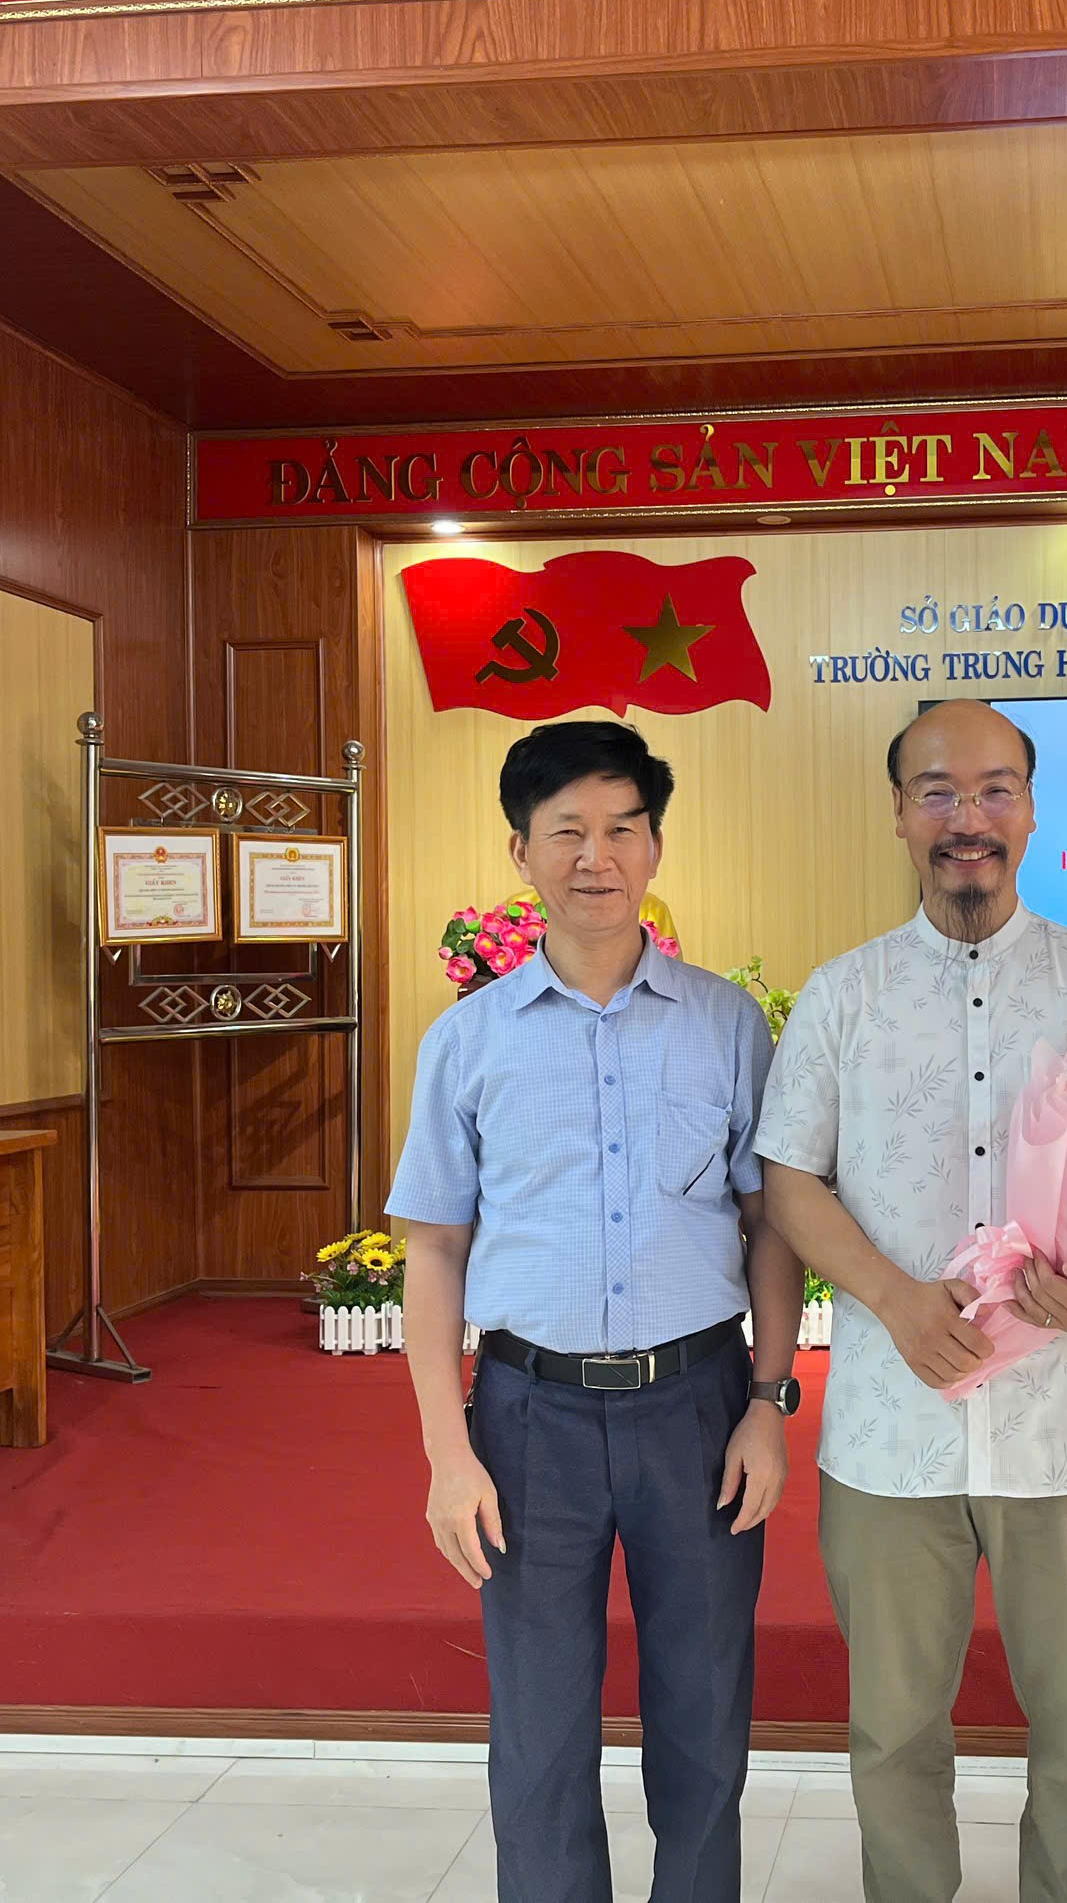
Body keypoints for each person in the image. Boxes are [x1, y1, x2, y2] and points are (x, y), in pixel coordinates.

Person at [757, 698, 1067, 1903]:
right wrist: (894, 1300)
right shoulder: (844, 995)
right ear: (899, 815)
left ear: (1032, 812)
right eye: (937, 791)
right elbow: (789, 1180)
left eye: (996, 789)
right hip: (892, 1432)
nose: (968, 817)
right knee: (892, 1732)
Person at [390, 719, 804, 1903]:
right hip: (529, 1417)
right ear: (520, 851)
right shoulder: (466, 1042)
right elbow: (434, 1249)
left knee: (704, 1717)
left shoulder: (727, 1024)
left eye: (623, 828)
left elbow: (771, 1225)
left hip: (698, 1409)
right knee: (538, 1733)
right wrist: (447, 1454)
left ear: (655, 847)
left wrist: (767, 1405)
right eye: (566, 830)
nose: (596, 855)